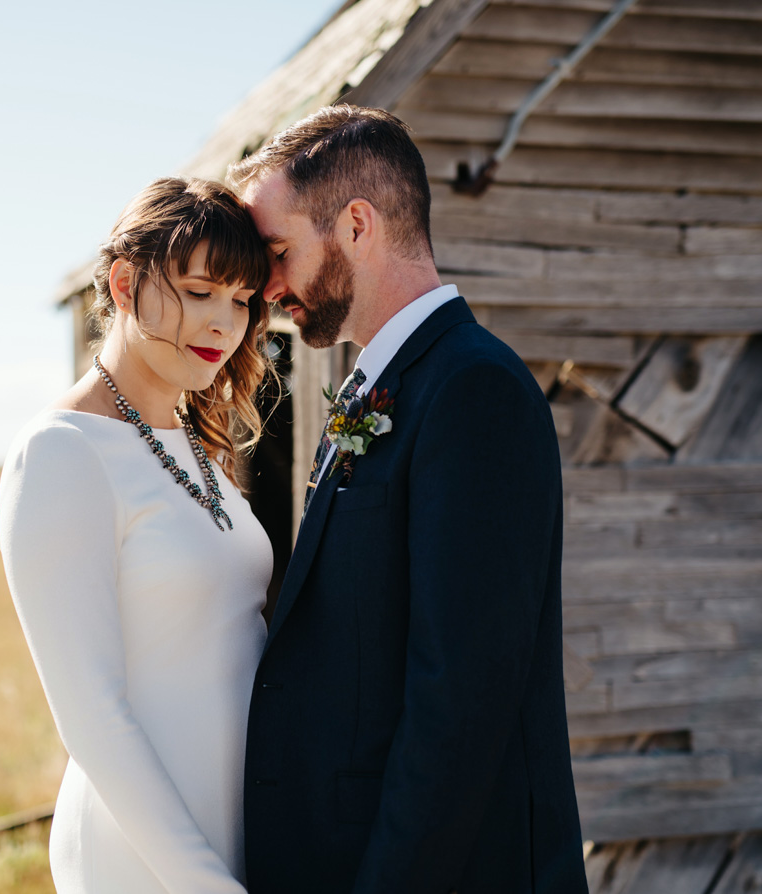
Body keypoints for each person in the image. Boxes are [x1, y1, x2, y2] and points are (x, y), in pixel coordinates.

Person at [230, 106, 588, 893]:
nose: (267, 285)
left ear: (356, 225)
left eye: (279, 251)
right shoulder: (383, 385)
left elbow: (460, 700)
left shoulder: (471, 389)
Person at [0, 177, 275, 893]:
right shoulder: (62, 451)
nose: (223, 324)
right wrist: (205, 884)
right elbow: (90, 711)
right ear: (125, 283)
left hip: (241, 821)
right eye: (200, 290)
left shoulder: (202, 443)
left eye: (241, 301)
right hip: (143, 852)